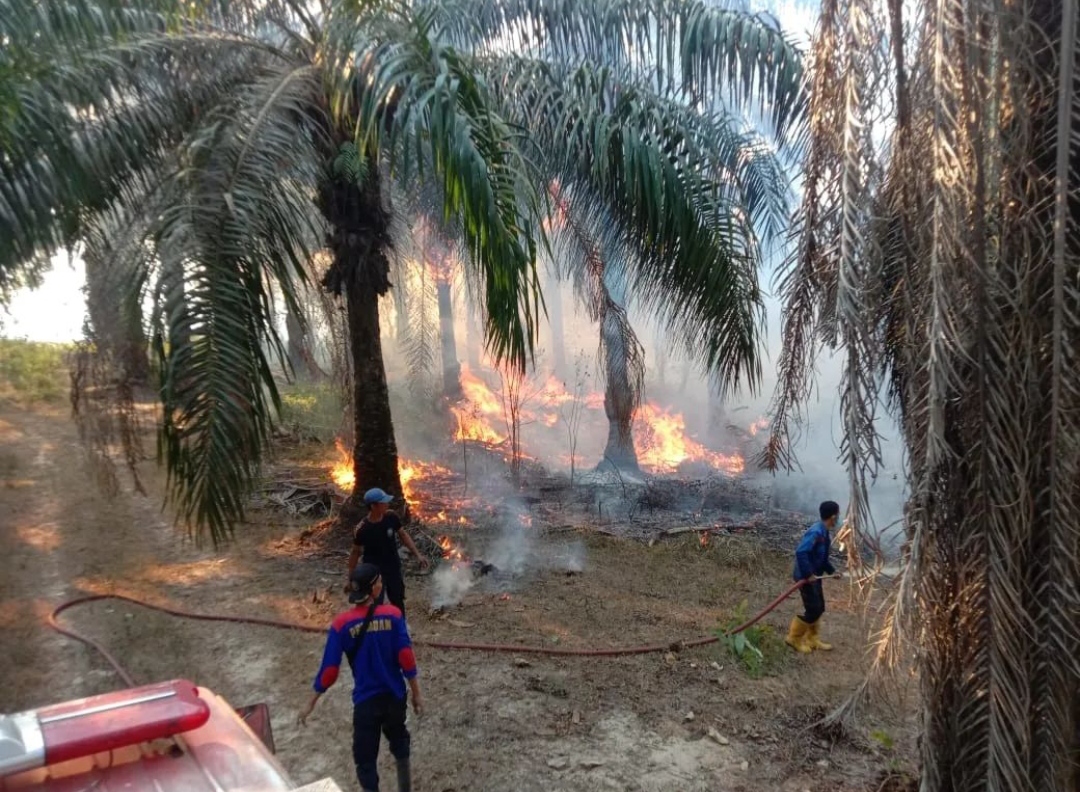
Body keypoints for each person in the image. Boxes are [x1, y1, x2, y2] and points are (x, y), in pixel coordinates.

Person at [299, 563, 423, 792]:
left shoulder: (341, 625)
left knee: (365, 760)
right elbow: (406, 658)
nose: (381, 585)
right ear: (373, 589)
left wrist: (310, 703)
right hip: (394, 697)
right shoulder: (394, 615)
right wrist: (416, 695)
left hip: (366, 702)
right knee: (400, 742)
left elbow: (329, 671)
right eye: (379, 582)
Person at [348, 487, 429, 617]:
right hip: (374, 572)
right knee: (375, 603)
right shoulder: (362, 529)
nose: (387, 504)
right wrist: (351, 577)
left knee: (397, 600)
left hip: (393, 567)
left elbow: (403, 534)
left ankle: (400, 626)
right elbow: (355, 552)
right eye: (383, 502)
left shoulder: (391, 517)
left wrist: (418, 554)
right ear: (373, 506)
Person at [786, 500, 841, 653]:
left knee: (820, 607)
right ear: (833, 516)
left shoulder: (824, 531)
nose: (839, 517)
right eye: (838, 514)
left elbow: (821, 559)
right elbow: (801, 552)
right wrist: (808, 574)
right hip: (806, 577)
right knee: (813, 609)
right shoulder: (816, 532)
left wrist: (832, 571)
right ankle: (793, 638)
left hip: (815, 576)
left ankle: (812, 639)